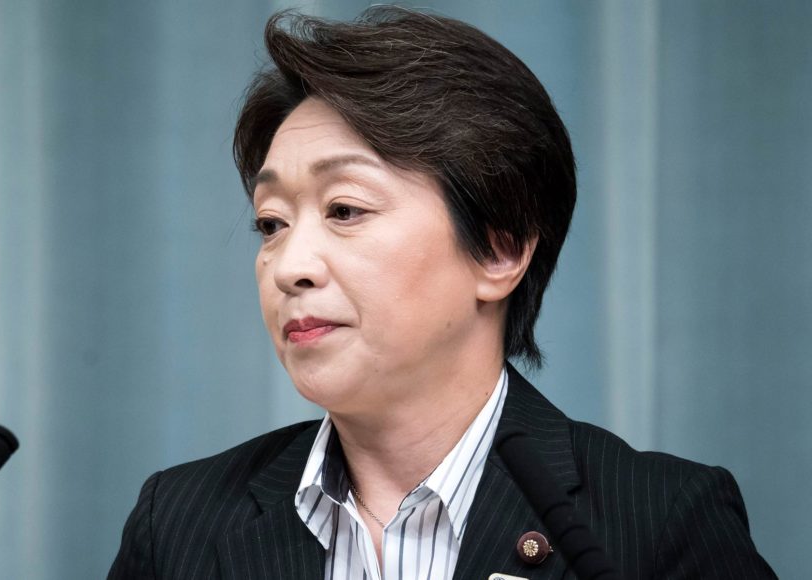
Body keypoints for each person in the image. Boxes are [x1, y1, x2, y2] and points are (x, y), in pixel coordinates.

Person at [109, 7, 775, 580]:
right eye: (271, 223)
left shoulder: (657, 522)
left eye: (345, 209)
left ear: (499, 251)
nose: (289, 267)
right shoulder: (180, 523)